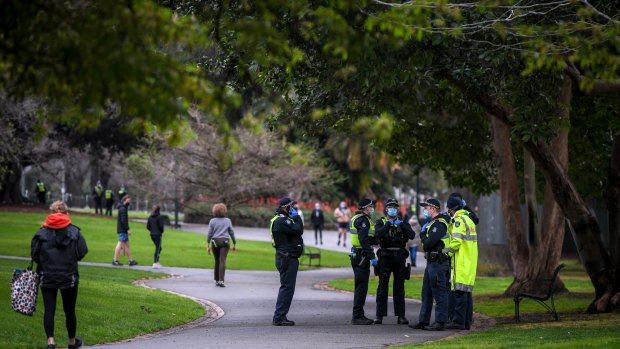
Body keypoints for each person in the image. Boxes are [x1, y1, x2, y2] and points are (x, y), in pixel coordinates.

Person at [31, 201, 88, 349]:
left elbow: (34, 254)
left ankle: (51, 341)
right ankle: (72, 342)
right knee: (69, 310)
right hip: (69, 276)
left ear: (51, 213)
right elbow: (82, 252)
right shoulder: (74, 232)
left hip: (47, 275)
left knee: (49, 310)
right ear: (66, 213)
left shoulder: (41, 233)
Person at [409, 198, 451, 331]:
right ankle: (423, 320)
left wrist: (422, 234)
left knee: (439, 293)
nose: (424, 210)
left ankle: (440, 321)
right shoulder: (430, 223)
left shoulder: (439, 224)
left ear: (433, 209)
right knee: (426, 293)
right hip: (431, 263)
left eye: (426, 208)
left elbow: (428, 244)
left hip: (439, 263)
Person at [373, 198, 415, 325]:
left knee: (399, 287)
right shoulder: (381, 222)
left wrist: (400, 224)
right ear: (386, 209)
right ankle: (379, 315)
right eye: (390, 207)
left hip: (399, 257)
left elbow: (412, 235)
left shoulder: (403, 222)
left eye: (395, 207)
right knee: (382, 287)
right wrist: (388, 225)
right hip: (385, 256)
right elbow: (377, 235)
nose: (393, 209)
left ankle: (401, 316)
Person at [444, 196, 478, 330]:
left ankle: (458, 321)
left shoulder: (458, 221)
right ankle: (466, 321)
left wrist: (446, 252)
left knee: (460, 293)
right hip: (469, 261)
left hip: (461, 261)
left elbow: (456, 242)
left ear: (452, 209)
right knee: (467, 293)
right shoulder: (469, 220)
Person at [270, 197, 304, 326]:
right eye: (291, 206)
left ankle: (280, 316)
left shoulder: (281, 219)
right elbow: (299, 230)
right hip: (287, 258)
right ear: (286, 207)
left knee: (287, 287)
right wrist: (296, 218)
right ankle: (279, 317)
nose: (293, 208)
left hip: (285, 256)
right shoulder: (282, 221)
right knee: (287, 288)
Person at [349, 198, 376, 325]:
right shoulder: (362, 220)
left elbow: (370, 238)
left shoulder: (358, 218)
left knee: (360, 285)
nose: (372, 209)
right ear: (366, 208)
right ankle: (358, 316)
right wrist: (372, 257)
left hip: (359, 255)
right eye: (371, 206)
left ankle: (358, 314)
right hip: (361, 256)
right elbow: (364, 240)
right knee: (361, 286)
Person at [207, 203, 237, 287]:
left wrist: (208, 244)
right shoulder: (228, 221)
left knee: (217, 261)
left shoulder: (212, 221)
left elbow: (209, 233)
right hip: (225, 242)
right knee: (222, 261)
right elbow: (231, 232)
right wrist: (234, 243)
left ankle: (216, 280)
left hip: (215, 242)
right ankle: (221, 280)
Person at [113, 195, 137, 266]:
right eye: (128, 200)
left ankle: (130, 261)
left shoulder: (123, 208)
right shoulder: (123, 209)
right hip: (123, 230)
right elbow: (124, 221)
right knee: (120, 243)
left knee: (127, 246)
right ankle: (115, 260)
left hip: (123, 230)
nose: (129, 202)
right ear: (125, 200)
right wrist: (128, 229)